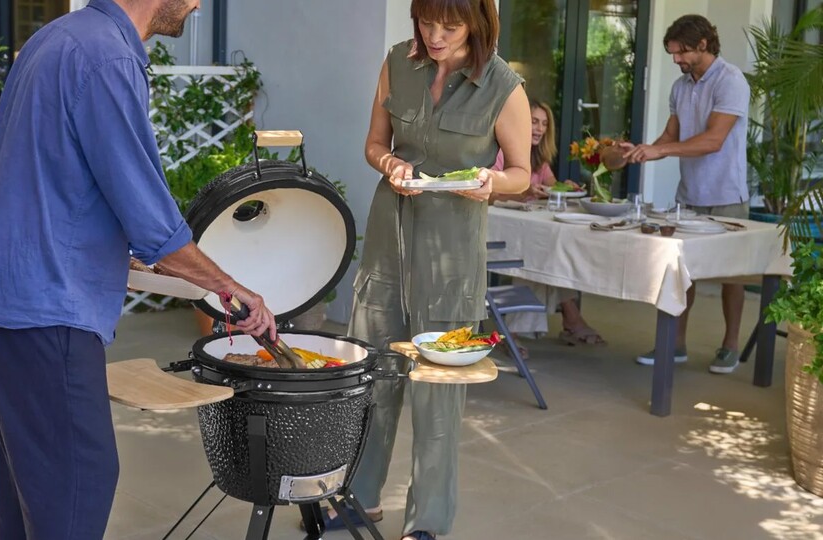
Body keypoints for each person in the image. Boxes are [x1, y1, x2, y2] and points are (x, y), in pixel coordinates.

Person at [0, 0, 277, 538]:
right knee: (76, 483)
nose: (198, 4)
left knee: (30, 482)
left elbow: (53, 176)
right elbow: (149, 215)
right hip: (48, 305)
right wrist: (229, 287)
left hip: (6, 293)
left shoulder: (56, 38)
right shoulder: (108, 58)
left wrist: (111, 252)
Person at [319, 1, 531, 539]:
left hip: (452, 255)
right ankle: (360, 499)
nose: (435, 35)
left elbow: (522, 174)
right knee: (373, 375)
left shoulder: (504, 87)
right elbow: (374, 144)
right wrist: (390, 162)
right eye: (426, 22)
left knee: (438, 392)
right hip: (387, 241)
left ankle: (428, 521)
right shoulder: (397, 62)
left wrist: (491, 182)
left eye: (450, 26)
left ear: (477, 24)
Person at [622, 14, 750, 374]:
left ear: (703, 45)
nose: (676, 60)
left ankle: (730, 346)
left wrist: (661, 150)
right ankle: (674, 344)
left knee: (732, 276)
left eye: (681, 53)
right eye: (673, 53)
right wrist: (643, 150)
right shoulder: (680, 87)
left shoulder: (731, 80)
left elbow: (713, 140)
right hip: (688, 194)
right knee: (681, 272)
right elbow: (670, 136)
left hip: (727, 195)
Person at [490, 99, 604, 354]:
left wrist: (567, 187)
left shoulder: (539, 159)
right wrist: (522, 193)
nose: (540, 128)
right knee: (540, 253)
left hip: (527, 229)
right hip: (498, 228)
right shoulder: (501, 154)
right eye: (534, 121)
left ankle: (565, 319)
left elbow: (552, 186)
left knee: (553, 250)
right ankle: (563, 319)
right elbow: (489, 195)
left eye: (544, 123)